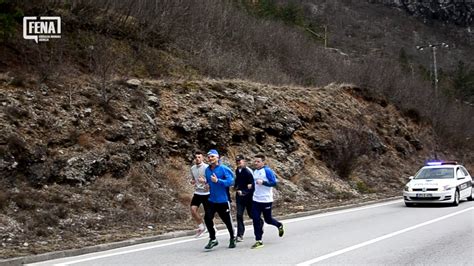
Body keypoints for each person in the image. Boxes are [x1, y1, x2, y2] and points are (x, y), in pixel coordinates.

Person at [199, 149, 236, 249]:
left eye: (212, 157)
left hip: (223, 200)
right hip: (212, 199)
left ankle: (232, 238)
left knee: (227, 221)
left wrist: (218, 180)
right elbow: (209, 182)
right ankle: (213, 239)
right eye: (209, 157)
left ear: (217, 158)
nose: (210, 159)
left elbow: (231, 181)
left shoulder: (224, 168)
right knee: (207, 218)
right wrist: (205, 183)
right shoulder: (207, 170)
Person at [251, 154, 284, 249]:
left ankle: (279, 225)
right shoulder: (255, 172)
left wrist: (264, 182)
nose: (256, 163)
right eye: (255, 161)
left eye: (258, 161)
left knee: (268, 220)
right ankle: (258, 240)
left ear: (263, 162)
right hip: (256, 199)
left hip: (266, 200)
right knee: (256, 219)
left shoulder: (267, 171)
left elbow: (274, 183)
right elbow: (255, 185)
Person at [234, 155, 259, 242]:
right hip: (239, 197)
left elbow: (253, 185)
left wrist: (244, 192)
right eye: (237, 161)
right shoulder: (237, 170)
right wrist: (235, 188)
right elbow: (237, 181)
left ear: (244, 161)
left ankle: (260, 222)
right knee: (239, 215)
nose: (238, 163)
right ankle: (240, 234)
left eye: (239, 161)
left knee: (251, 214)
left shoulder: (248, 171)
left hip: (249, 197)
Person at [189, 151, 209, 238]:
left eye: (199, 157)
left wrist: (205, 181)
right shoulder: (192, 168)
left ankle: (212, 227)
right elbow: (193, 179)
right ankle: (201, 227)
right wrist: (192, 181)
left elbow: (212, 179)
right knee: (193, 210)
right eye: (196, 157)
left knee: (208, 213)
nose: (197, 159)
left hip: (206, 193)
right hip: (197, 192)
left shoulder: (207, 167)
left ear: (202, 158)